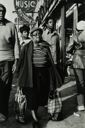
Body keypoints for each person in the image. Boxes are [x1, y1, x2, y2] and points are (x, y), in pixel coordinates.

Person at [16, 27, 62, 125]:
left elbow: (50, 61)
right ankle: (35, 118)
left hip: (44, 74)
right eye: (35, 34)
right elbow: (21, 62)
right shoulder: (26, 47)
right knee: (32, 95)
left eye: (39, 34)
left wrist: (53, 74)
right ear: (31, 36)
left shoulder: (45, 46)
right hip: (31, 74)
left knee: (41, 95)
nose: (38, 35)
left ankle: (35, 112)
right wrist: (19, 75)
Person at [0, 4, 20, 122]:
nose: (1, 13)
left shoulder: (11, 26)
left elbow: (16, 44)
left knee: (5, 88)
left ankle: (3, 112)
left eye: (3, 11)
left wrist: (16, 61)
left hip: (8, 60)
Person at [66, 20, 85, 112]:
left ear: (77, 29)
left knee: (80, 83)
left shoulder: (75, 37)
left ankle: (81, 104)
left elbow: (68, 49)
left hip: (78, 61)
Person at [42, 16, 64, 83]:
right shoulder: (43, 35)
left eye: (53, 22)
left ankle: (53, 92)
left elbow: (58, 48)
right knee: (46, 78)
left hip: (54, 60)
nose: (52, 24)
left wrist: (59, 59)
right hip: (46, 60)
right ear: (46, 24)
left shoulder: (56, 35)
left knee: (54, 78)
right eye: (50, 22)